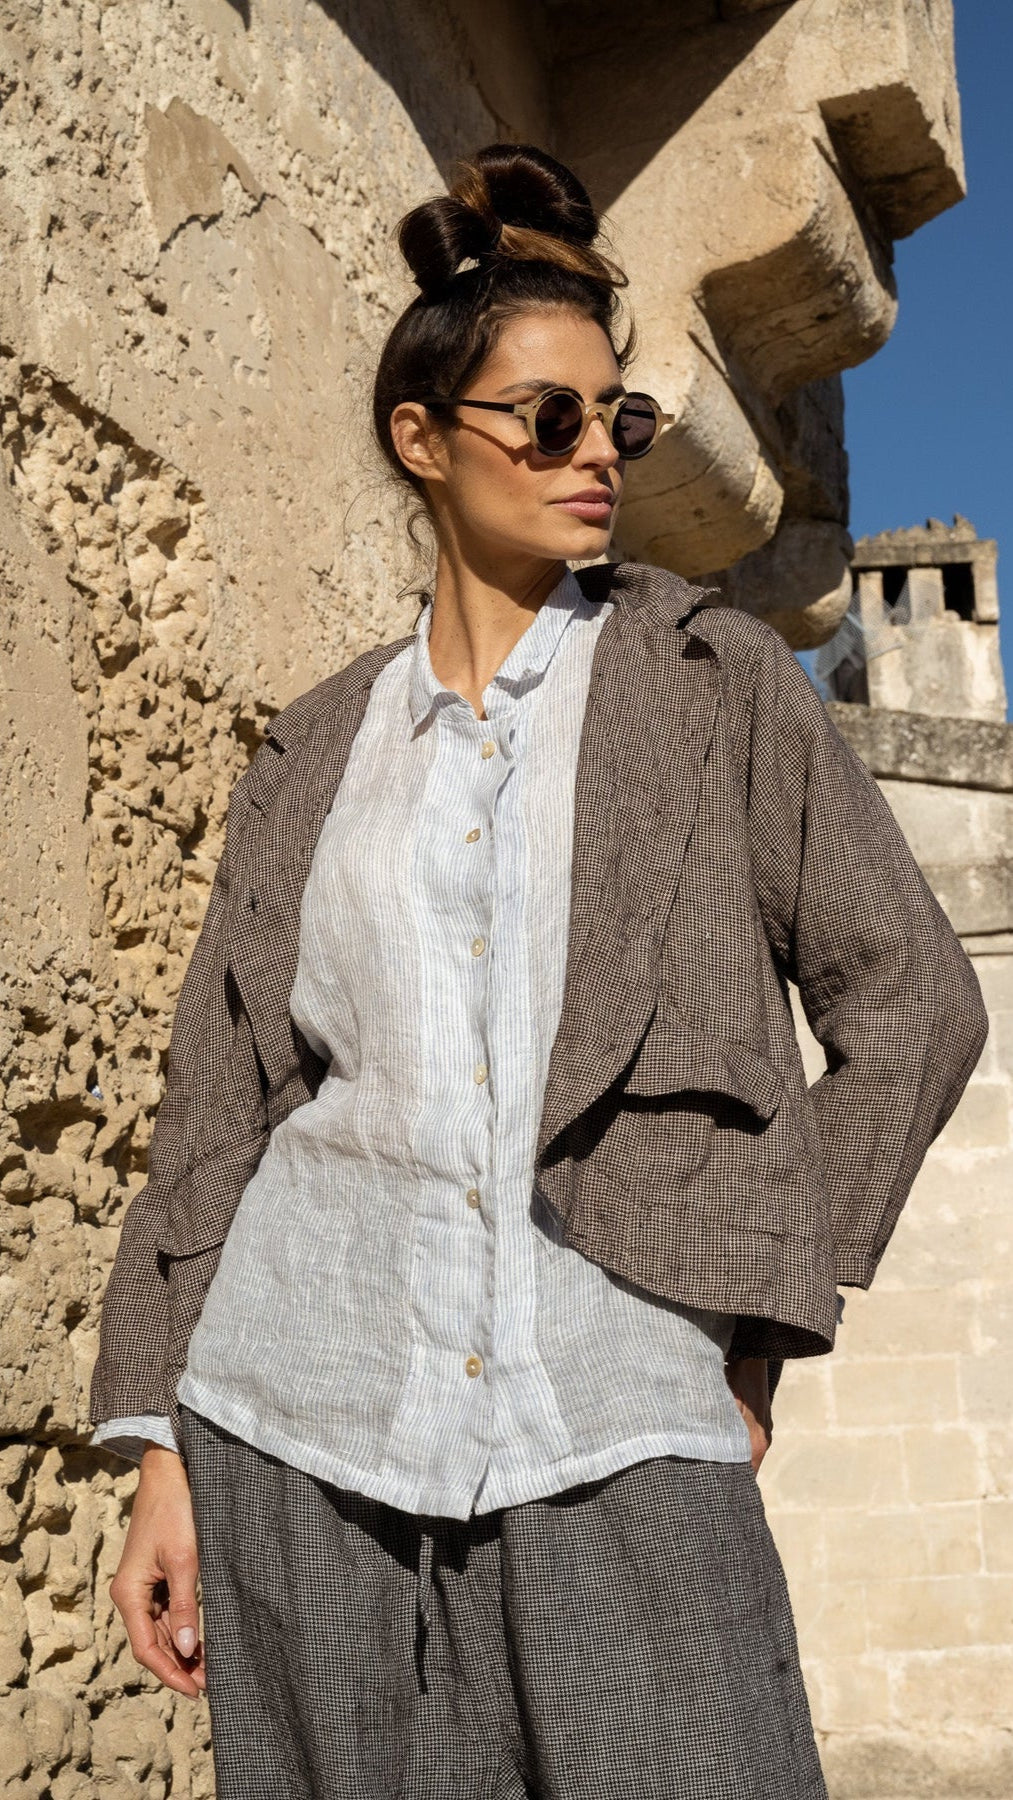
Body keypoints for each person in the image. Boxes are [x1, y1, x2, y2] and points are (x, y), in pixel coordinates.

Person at [90, 143, 988, 1800]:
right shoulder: (313, 747)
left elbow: (914, 1002)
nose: (598, 457)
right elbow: (220, 1107)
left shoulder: (710, 686)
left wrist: (758, 1316)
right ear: (420, 442)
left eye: (617, 419)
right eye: (548, 419)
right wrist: (159, 1444)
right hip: (299, 1414)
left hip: (614, 1405)